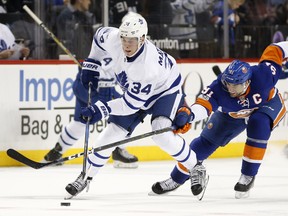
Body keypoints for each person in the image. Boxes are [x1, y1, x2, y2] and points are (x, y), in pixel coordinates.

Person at [64, 13, 201, 199]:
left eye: (132, 40)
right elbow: (98, 37)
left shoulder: (146, 67)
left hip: (165, 91)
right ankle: (85, 177)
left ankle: (196, 167)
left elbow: (130, 105)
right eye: (124, 38)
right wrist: (92, 63)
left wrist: (101, 109)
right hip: (137, 92)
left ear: (143, 38)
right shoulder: (114, 39)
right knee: (110, 135)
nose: (126, 44)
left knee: (161, 132)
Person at [151, 41, 288, 199]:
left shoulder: (264, 75)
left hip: (268, 105)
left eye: (234, 85)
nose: (230, 88)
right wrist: (189, 115)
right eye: (227, 83)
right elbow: (203, 106)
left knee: (258, 123)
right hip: (232, 114)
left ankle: (248, 175)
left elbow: (276, 49)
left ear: (247, 82)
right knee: (204, 143)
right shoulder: (218, 88)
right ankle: (175, 179)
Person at [43, 65, 139, 168]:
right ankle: (118, 150)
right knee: (126, 111)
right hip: (98, 89)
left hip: (82, 85)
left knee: (80, 122)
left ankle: (56, 152)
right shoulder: (115, 51)